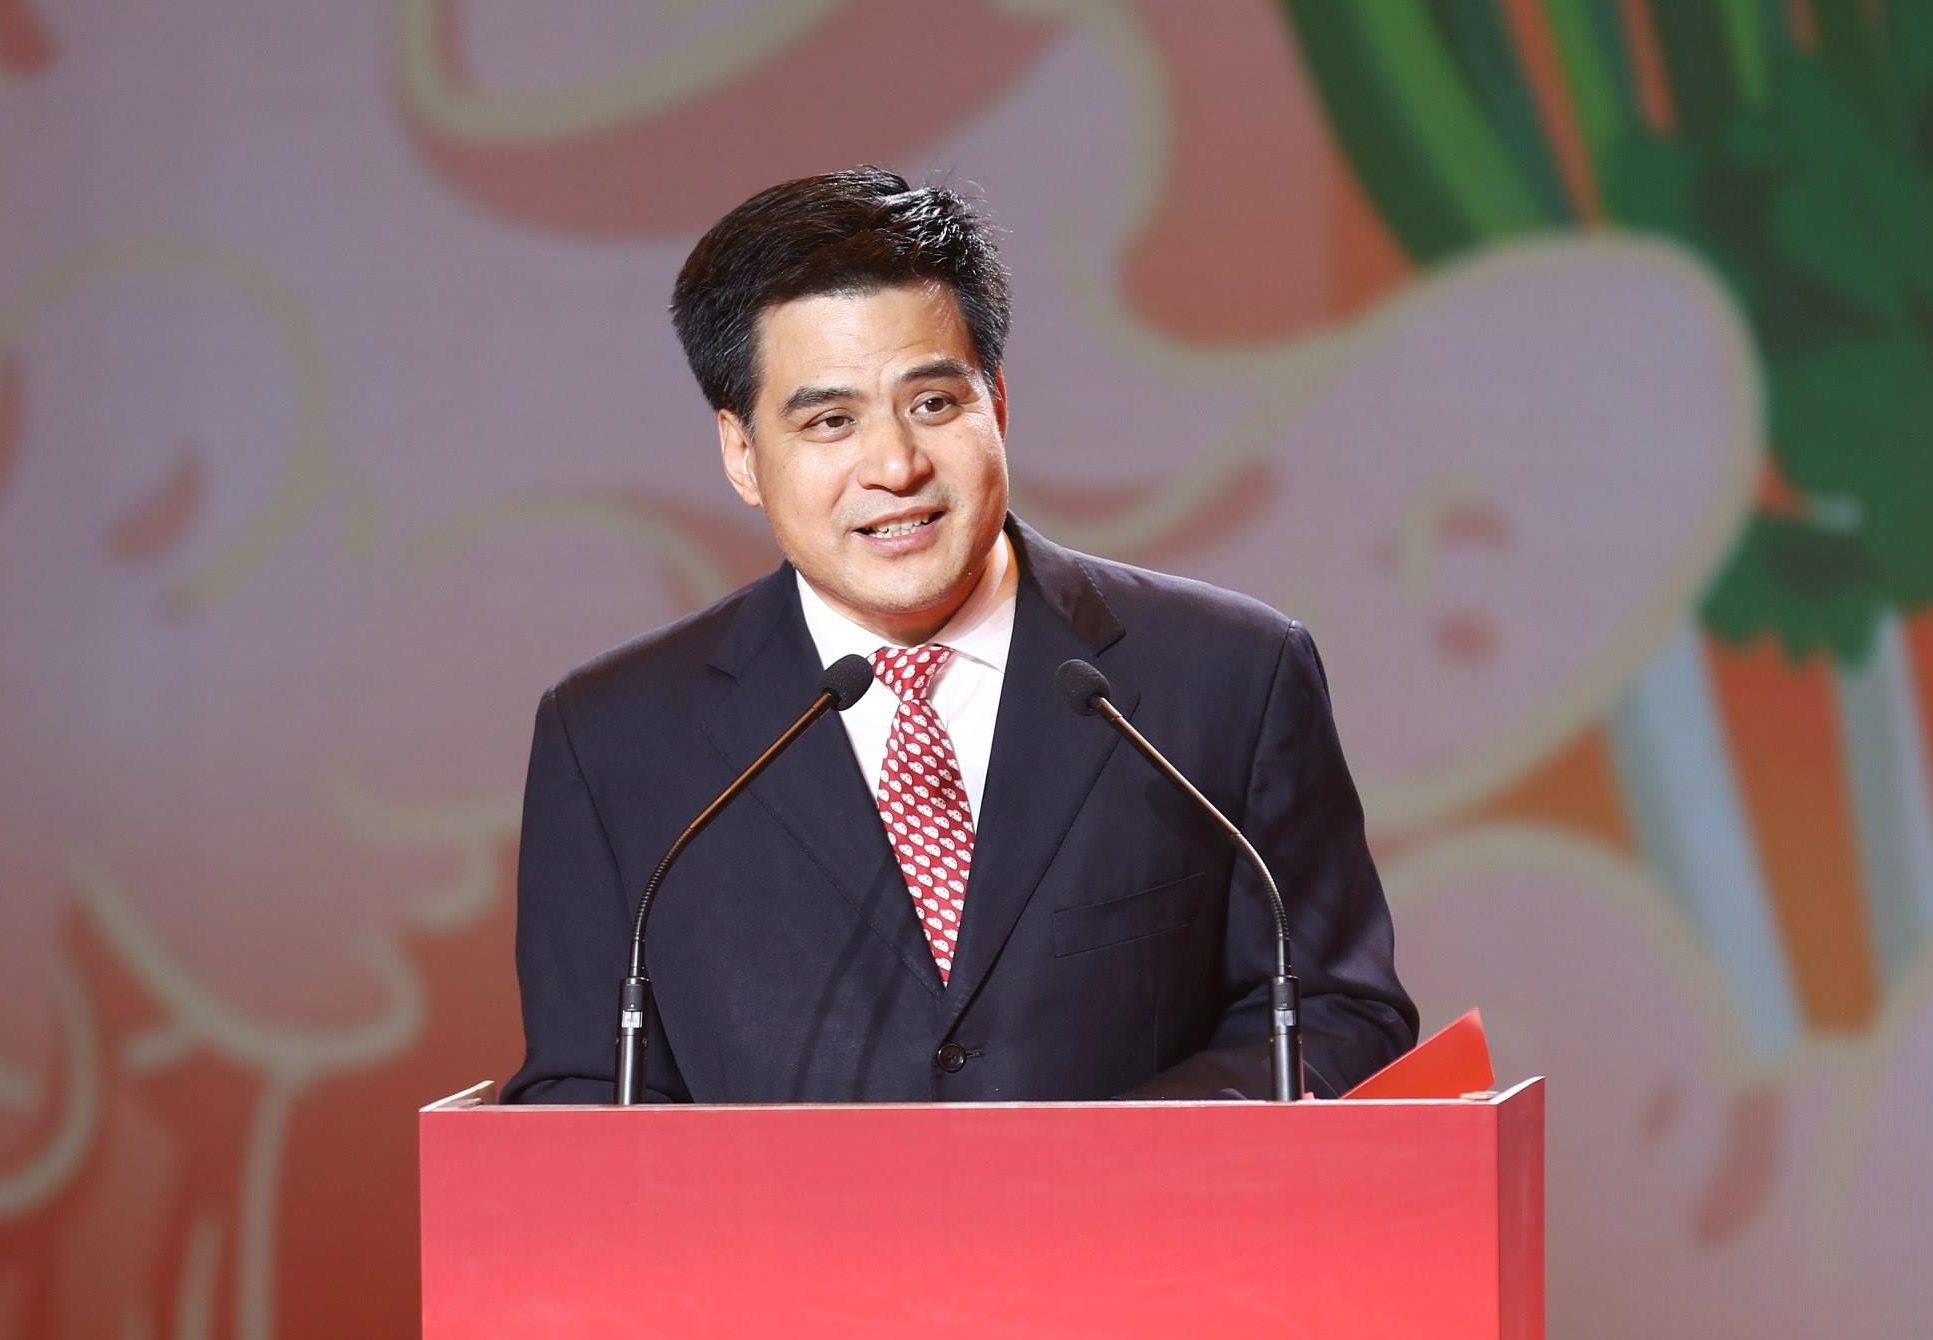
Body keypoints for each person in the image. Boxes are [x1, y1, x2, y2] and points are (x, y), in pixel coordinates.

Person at [503, 167, 1414, 1104]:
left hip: (1145, 1205)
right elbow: (580, 1090)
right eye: (830, 421)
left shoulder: (1230, 675)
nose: (895, 466)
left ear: (997, 403)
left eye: (933, 404)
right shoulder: (610, 738)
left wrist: (1118, 1162)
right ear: (741, 454)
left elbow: (1336, 1013)